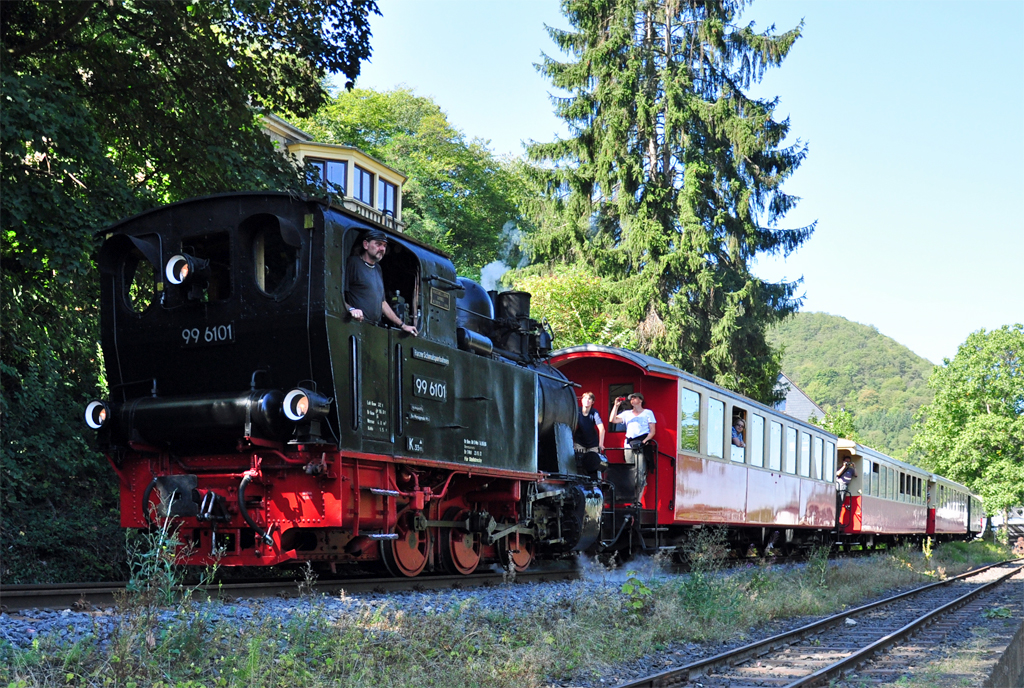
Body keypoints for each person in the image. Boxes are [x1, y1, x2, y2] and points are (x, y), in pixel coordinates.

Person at [344, 229, 417, 335]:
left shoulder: (378, 269)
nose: (382, 249)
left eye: (384, 245)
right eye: (378, 244)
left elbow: (382, 303)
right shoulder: (353, 263)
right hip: (355, 327)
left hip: (374, 330)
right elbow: (338, 293)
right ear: (366, 245)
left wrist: (403, 325)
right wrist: (351, 309)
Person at [609, 393, 656, 502]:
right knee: (630, 473)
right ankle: (631, 501)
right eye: (631, 399)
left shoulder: (648, 413)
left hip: (641, 446)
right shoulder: (627, 413)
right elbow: (612, 420)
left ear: (640, 400)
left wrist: (643, 442)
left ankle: (638, 502)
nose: (632, 400)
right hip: (629, 446)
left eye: (634, 398)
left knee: (640, 474)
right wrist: (616, 406)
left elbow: (652, 431)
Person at [574, 392, 605, 479]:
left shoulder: (594, 412)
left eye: (589, 399)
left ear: (592, 402)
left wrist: (601, 444)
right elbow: (571, 426)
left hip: (592, 443)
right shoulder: (577, 411)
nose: (587, 400)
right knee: (579, 463)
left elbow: (602, 429)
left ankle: (595, 482)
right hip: (580, 441)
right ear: (581, 400)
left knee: (593, 463)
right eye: (585, 398)